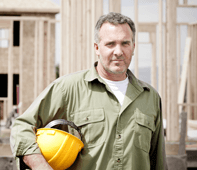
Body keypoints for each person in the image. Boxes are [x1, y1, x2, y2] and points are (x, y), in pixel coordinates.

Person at [10, 12, 168, 170]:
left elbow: (158, 161)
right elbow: (21, 127)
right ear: (97, 48)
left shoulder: (150, 97)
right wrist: (40, 166)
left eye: (125, 43)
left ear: (133, 47)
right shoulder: (68, 89)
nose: (118, 51)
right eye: (110, 44)